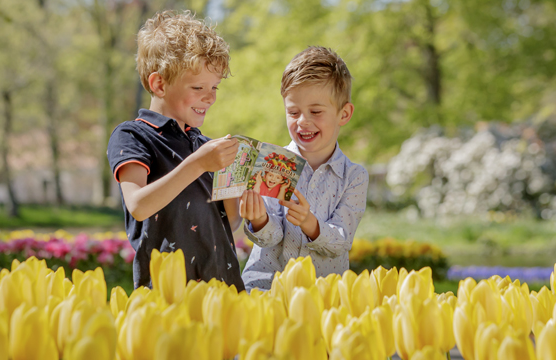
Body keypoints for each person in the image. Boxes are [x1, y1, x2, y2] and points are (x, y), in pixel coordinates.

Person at [107, 10, 244, 291]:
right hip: (168, 294)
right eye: (198, 87)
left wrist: (236, 180)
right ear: (159, 84)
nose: (210, 97)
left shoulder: (204, 146)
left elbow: (228, 221)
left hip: (223, 288)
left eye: (215, 87)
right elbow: (139, 206)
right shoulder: (133, 135)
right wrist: (198, 164)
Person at [239, 46, 369, 291]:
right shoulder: (272, 164)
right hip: (266, 287)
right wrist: (259, 219)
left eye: (316, 111)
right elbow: (270, 238)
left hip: (323, 294)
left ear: (344, 113)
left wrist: (311, 223)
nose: (302, 122)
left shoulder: (354, 177)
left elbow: (341, 241)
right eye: (293, 112)